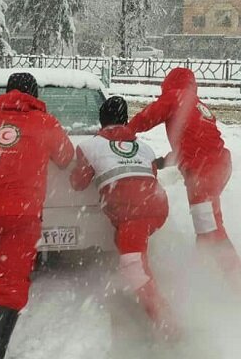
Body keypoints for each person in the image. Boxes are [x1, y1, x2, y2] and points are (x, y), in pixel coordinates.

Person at [0, 72, 74, 359]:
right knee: (13, 282)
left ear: (7, 90)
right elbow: (65, 157)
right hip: (22, 212)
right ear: (35, 96)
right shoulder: (45, 122)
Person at [126, 68, 241, 294]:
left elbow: (148, 116)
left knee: (211, 230)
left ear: (169, 83)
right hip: (217, 165)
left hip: (203, 171)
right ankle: (204, 270)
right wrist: (162, 162)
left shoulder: (176, 96)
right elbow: (192, 144)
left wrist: (127, 130)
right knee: (208, 226)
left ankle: (240, 286)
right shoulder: (196, 104)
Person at [69, 96, 179, 340]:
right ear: (125, 120)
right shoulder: (146, 148)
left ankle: (169, 327)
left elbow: (79, 183)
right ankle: (146, 292)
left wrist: (73, 171)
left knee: (133, 269)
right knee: (134, 255)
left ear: (101, 120)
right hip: (157, 208)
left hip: (131, 212)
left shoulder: (89, 146)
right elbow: (148, 177)